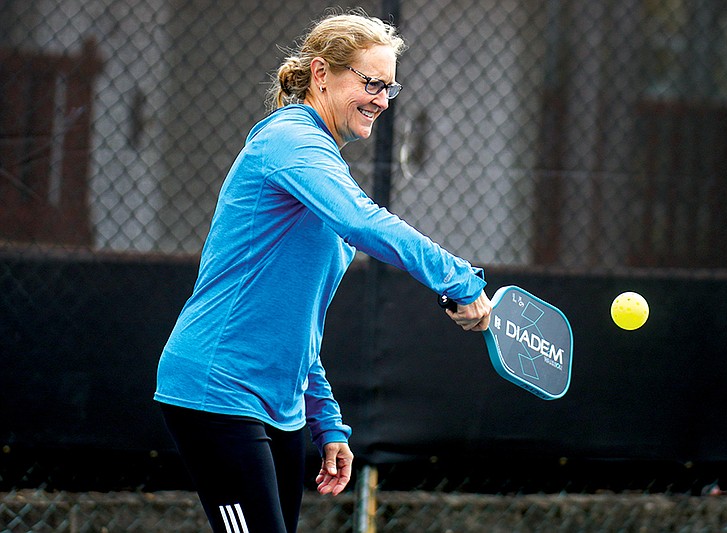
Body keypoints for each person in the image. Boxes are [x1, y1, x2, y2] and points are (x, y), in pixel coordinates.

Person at [154, 9, 491, 533]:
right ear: (320, 74)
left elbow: (298, 321)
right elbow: (362, 220)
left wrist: (326, 420)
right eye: (372, 82)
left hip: (279, 408)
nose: (381, 99)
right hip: (216, 389)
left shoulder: (322, 168)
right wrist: (458, 279)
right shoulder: (288, 141)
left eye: (390, 88)